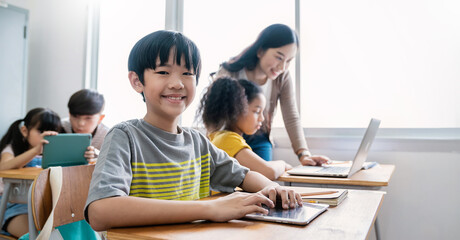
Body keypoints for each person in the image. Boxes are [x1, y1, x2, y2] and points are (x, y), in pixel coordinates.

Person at [85, 30, 303, 231]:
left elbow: (244, 176)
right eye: (163, 71)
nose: (177, 83)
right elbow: (100, 211)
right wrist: (211, 209)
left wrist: (273, 189)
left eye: (187, 73)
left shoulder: (197, 142)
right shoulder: (124, 137)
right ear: (136, 81)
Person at [214, 23, 330, 166]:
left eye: (288, 61)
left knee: (264, 178)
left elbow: (291, 116)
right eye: (279, 57)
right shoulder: (230, 71)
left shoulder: (283, 77)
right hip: (228, 135)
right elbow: (213, 112)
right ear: (260, 51)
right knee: (237, 179)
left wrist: (303, 154)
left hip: (259, 137)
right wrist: (213, 147)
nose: (282, 67)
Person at [197, 77, 291, 180]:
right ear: (237, 109)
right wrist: (283, 164)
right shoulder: (228, 140)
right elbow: (269, 172)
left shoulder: (216, 136)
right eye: (256, 111)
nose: (262, 118)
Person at [0, 108, 61, 237]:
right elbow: (3, 167)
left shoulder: (56, 154)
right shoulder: (13, 148)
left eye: (52, 132)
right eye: (41, 131)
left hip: (46, 208)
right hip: (14, 208)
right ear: (24, 131)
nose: (47, 135)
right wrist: (35, 151)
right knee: (37, 236)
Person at [62, 89, 109, 159]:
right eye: (75, 116)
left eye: (88, 118)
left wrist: (95, 157)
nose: (81, 123)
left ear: (100, 118)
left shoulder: (107, 136)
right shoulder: (60, 126)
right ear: (69, 114)